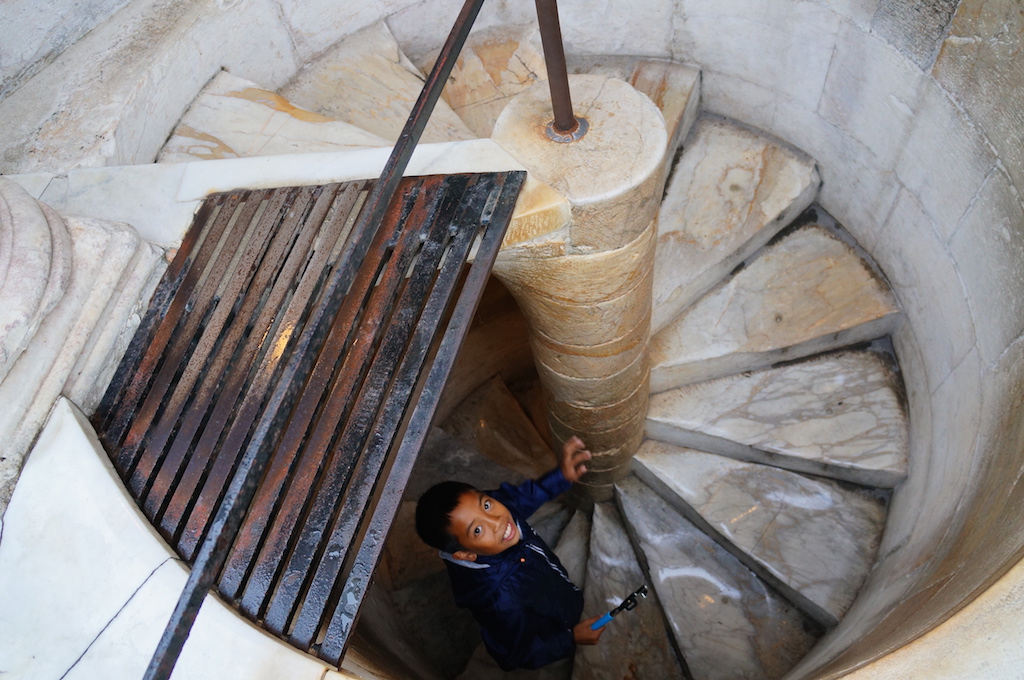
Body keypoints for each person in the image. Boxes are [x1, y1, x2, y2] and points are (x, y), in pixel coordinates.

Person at [414, 436, 605, 671]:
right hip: (552, 622)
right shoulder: (503, 602)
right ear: (465, 554)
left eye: (485, 505)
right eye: (477, 529)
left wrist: (558, 479)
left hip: (552, 586)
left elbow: (516, 501)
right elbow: (515, 655)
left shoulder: (496, 507)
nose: (497, 521)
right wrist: (570, 638)